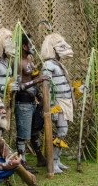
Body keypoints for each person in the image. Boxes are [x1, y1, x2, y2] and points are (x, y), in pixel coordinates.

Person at [41, 32, 75, 174]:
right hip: (58, 104)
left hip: (65, 102)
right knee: (61, 131)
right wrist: (50, 106)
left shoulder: (57, 64)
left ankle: (57, 160)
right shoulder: (48, 65)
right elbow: (45, 87)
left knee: (63, 131)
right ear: (53, 48)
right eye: (60, 45)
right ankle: (53, 162)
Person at [14, 34, 49, 171]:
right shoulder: (17, 62)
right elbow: (18, 87)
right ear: (24, 46)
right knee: (23, 134)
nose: (33, 47)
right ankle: (21, 162)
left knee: (34, 131)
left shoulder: (29, 60)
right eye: (30, 44)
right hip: (22, 103)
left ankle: (40, 158)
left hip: (32, 102)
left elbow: (32, 80)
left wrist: (40, 97)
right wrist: (37, 81)